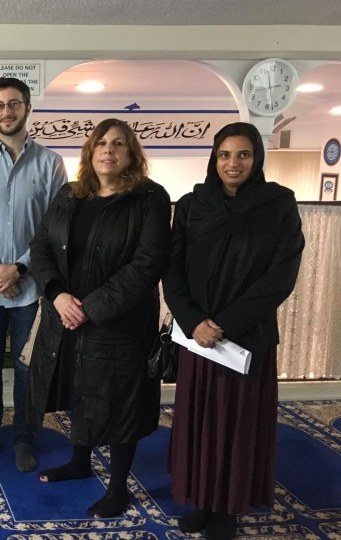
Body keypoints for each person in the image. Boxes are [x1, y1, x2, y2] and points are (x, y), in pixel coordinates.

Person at [163, 122, 304, 540]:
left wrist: (225, 324)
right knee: (199, 422)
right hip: (199, 338)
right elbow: (172, 268)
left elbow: (282, 275)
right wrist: (192, 322)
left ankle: (227, 510)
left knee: (236, 427)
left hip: (246, 336)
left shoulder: (278, 203)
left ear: (256, 158)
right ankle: (202, 502)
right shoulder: (192, 204)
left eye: (243, 154)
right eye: (225, 154)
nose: (233, 163)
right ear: (214, 158)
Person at [25, 118, 171, 518]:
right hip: (65, 316)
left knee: (121, 403)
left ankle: (119, 487)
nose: (108, 150)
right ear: (90, 151)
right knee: (81, 391)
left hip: (119, 324)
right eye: (101, 143)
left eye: (118, 143)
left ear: (131, 153)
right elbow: (40, 248)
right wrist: (56, 294)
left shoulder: (149, 198)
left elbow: (146, 265)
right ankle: (78, 462)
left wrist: (89, 307)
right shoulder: (70, 194)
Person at [0, 77, 67, 472]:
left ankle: (23, 437)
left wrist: (19, 268)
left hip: (31, 287)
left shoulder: (51, 163)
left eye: (14, 104)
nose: (7, 111)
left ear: (27, 108)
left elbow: (55, 226)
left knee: (27, 366)